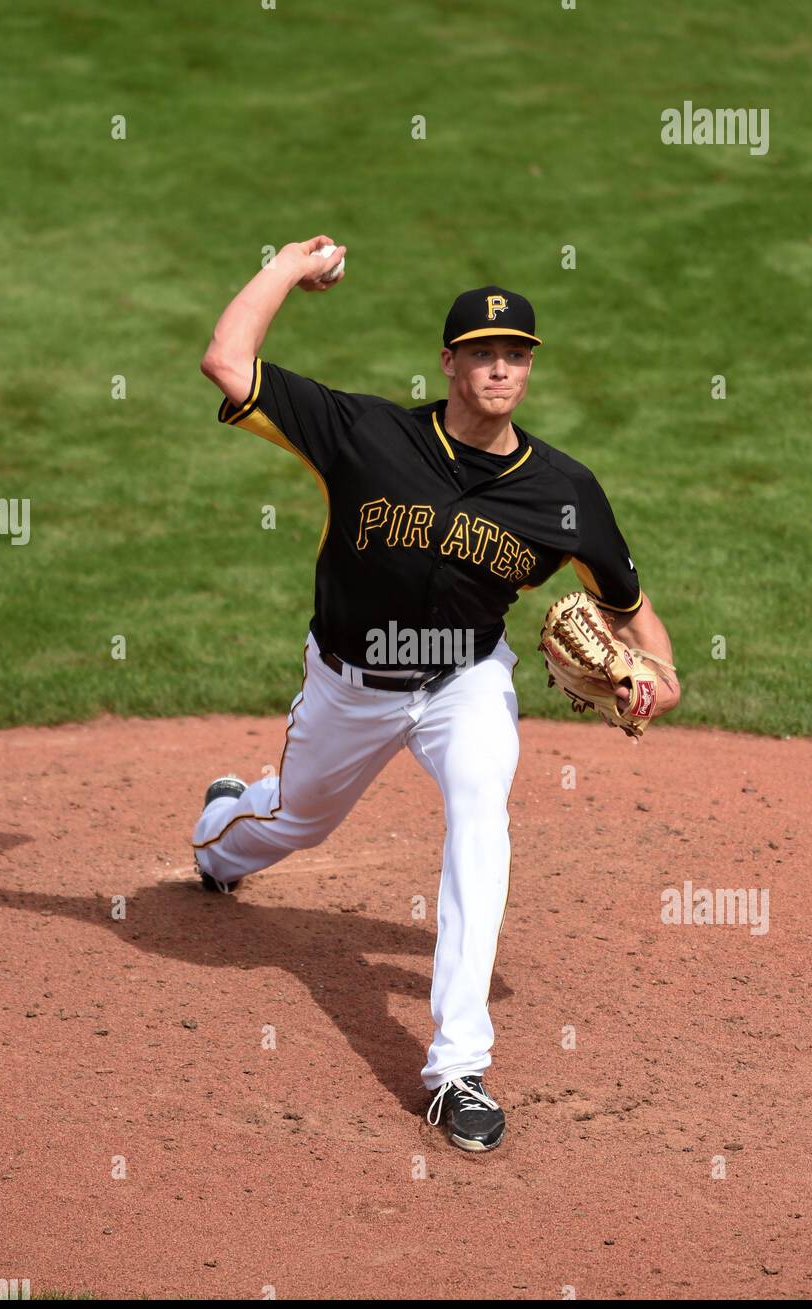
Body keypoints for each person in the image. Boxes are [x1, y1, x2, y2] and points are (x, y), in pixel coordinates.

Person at [192, 235, 680, 1152]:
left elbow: (634, 611)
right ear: (449, 361)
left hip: (465, 683)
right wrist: (290, 269)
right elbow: (227, 361)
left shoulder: (565, 492)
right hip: (349, 685)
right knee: (292, 821)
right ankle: (222, 836)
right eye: (483, 352)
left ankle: (457, 1068)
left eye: (516, 355)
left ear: (528, 370)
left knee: (481, 817)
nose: (500, 368)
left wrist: (656, 679)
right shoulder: (365, 433)